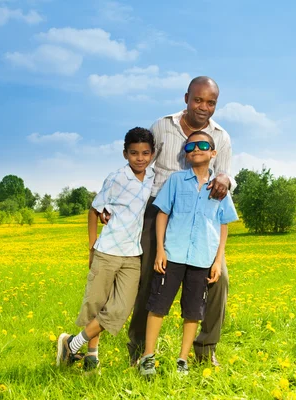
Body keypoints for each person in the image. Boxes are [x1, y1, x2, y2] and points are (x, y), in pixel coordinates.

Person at [122, 76, 236, 367]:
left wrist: (224, 178)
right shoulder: (162, 126)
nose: (204, 107)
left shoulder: (221, 137)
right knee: (149, 275)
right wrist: (118, 200)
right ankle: (139, 352)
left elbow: (225, 177)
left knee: (219, 278)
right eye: (198, 100)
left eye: (211, 102)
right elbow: (140, 162)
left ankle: (204, 348)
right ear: (186, 98)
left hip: (199, 215)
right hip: (158, 209)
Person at [137, 131, 238, 376]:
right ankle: (147, 357)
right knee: (158, 305)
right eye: (190, 146)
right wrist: (160, 250)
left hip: (202, 258)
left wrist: (217, 260)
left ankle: (182, 360)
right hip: (173, 254)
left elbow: (223, 225)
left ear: (213, 153)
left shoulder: (220, 187)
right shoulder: (176, 180)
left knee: (193, 311)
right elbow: (162, 214)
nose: (195, 149)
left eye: (202, 145)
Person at [56, 127, 155, 373]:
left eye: (145, 153)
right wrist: (92, 247)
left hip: (133, 254)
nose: (139, 158)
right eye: (134, 153)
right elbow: (94, 209)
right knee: (96, 304)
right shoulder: (116, 178)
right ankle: (91, 356)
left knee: (121, 309)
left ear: (152, 154)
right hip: (108, 251)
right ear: (125, 154)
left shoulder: (154, 178)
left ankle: (71, 343)